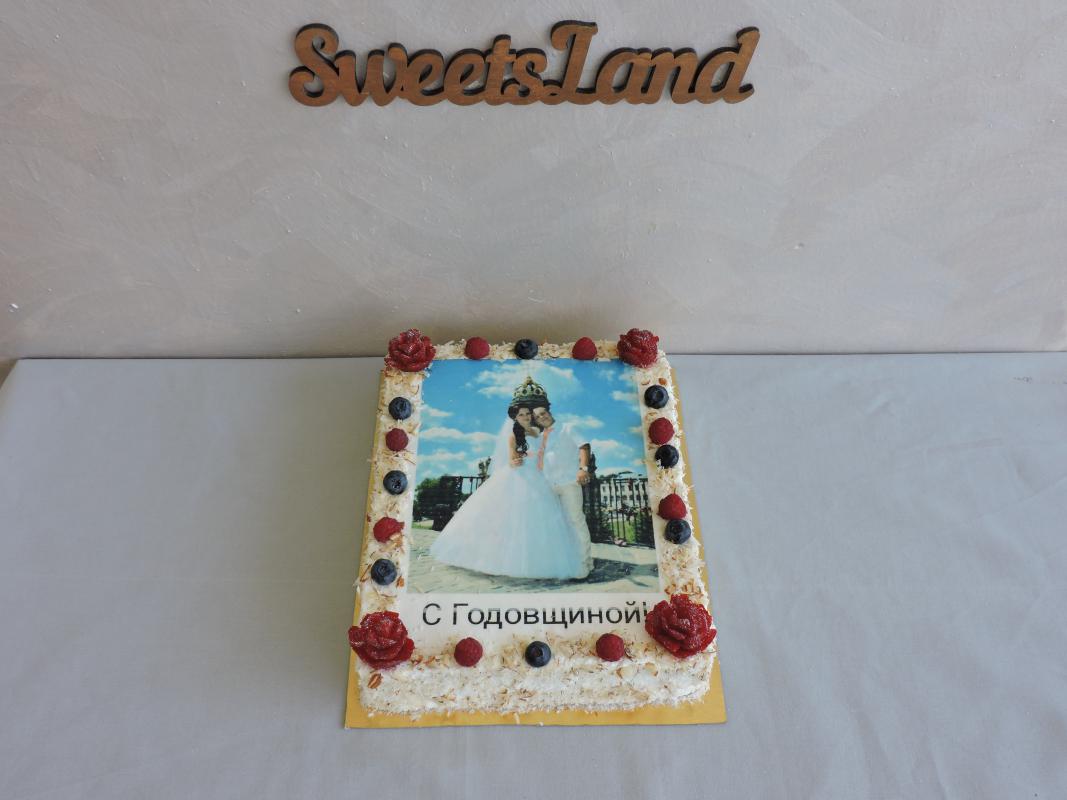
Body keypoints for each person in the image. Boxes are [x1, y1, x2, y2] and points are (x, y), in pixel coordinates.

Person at [429, 393, 588, 580]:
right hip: (522, 478)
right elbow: (511, 459)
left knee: (542, 521)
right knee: (516, 519)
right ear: (515, 418)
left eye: (528, 414)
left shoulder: (539, 432)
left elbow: (549, 453)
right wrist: (516, 461)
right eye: (521, 415)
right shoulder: (514, 435)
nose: (526, 417)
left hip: (541, 479)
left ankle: (545, 560)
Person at [532, 404, 594, 576]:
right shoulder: (540, 437)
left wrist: (583, 468)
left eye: (543, 413)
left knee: (576, 521)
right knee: (557, 525)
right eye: (537, 417)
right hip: (549, 485)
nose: (541, 417)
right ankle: (566, 562)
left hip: (569, 482)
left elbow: (584, 446)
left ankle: (584, 564)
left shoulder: (568, 428)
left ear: (549, 412)